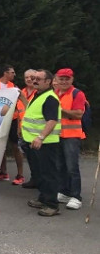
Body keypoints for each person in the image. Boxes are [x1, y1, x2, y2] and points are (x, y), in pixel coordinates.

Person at [22, 69, 62, 217]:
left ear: (48, 82)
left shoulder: (50, 98)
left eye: (39, 79)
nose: (34, 81)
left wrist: (41, 137)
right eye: (34, 78)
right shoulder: (39, 94)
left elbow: (52, 120)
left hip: (46, 143)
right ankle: (43, 198)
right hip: (35, 142)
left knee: (48, 173)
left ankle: (52, 205)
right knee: (41, 172)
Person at [54, 68, 86, 210]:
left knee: (72, 167)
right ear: (57, 79)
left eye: (67, 78)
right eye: (61, 78)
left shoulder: (77, 94)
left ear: (72, 79)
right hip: (57, 135)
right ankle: (64, 192)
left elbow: (78, 114)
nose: (64, 81)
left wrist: (58, 110)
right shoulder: (55, 93)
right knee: (60, 166)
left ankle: (76, 196)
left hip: (72, 136)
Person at [0, 65, 24, 183]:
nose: (14, 75)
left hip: (12, 118)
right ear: (5, 73)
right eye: (12, 72)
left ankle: (20, 174)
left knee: (15, 146)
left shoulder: (14, 87)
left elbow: (20, 100)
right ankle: (2, 172)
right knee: (1, 146)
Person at [17, 69, 38, 187]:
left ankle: (41, 181)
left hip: (36, 130)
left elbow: (32, 109)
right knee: (30, 157)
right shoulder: (22, 92)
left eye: (32, 77)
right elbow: (20, 112)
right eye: (27, 77)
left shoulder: (39, 93)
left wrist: (23, 99)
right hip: (25, 129)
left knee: (38, 158)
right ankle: (34, 179)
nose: (29, 79)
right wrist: (19, 128)